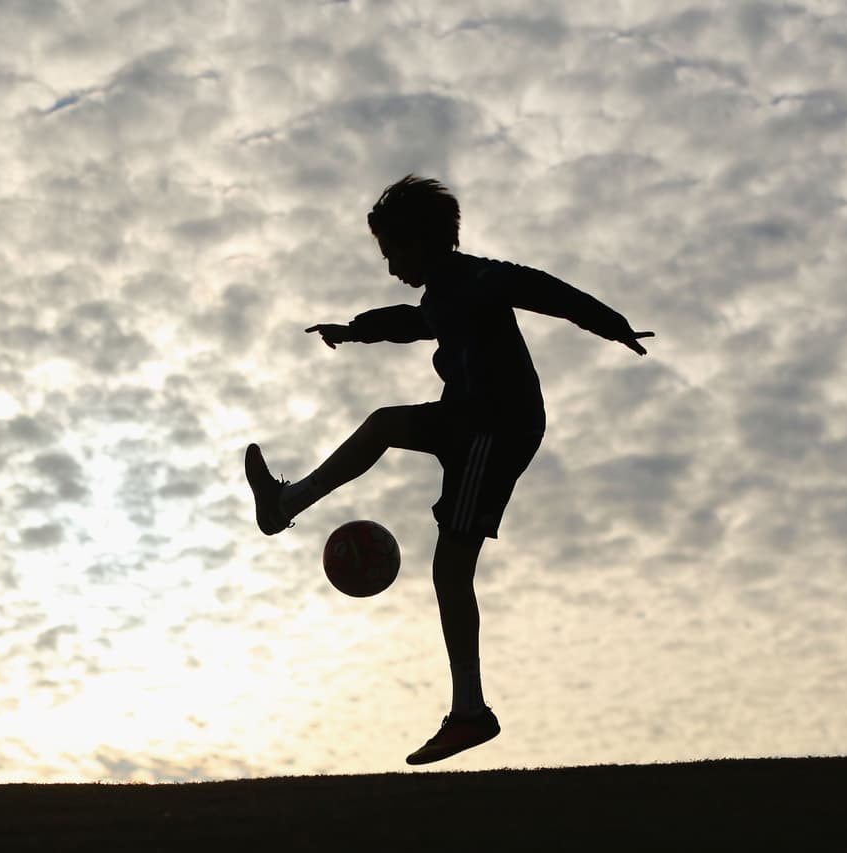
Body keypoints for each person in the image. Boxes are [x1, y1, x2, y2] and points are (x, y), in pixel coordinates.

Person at [244, 175, 654, 765]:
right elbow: (412, 321)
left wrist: (613, 325)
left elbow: (548, 291)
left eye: (394, 253)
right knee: (385, 425)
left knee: (451, 568)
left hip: (494, 427)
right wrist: (353, 329)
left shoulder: (481, 278)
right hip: (467, 417)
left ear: (427, 241)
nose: (390, 268)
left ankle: (470, 714)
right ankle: (285, 506)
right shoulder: (442, 294)